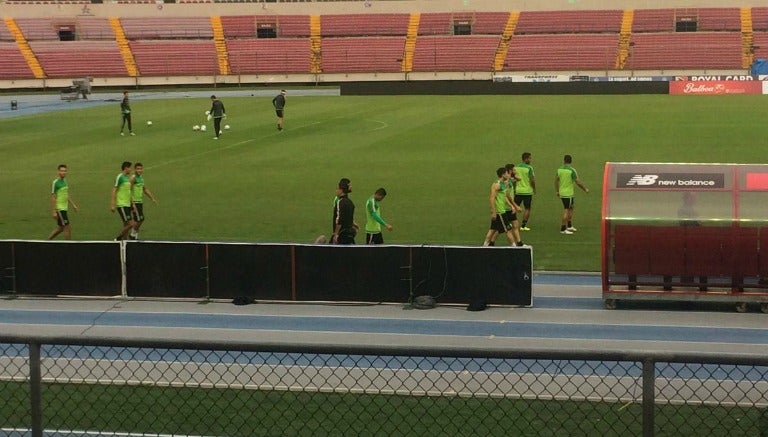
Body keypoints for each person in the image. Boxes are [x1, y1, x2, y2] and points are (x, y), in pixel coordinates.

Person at [483, 167, 519, 247]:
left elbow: (505, 196)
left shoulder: (504, 184)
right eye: (507, 173)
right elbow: (492, 198)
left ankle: (484, 247)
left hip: (502, 210)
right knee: (508, 230)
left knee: (492, 230)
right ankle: (514, 247)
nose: (508, 175)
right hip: (500, 212)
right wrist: (494, 212)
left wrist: (512, 206)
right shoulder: (497, 185)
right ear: (503, 174)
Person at [555, 154, 589, 235]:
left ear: (564, 161)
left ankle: (569, 225)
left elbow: (556, 180)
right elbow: (577, 182)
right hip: (568, 193)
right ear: (571, 161)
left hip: (562, 192)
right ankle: (563, 228)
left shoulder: (559, 169)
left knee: (571, 207)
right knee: (566, 209)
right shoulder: (572, 170)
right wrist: (585, 189)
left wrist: (557, 191)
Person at [48, 164, 79, 240]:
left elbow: (66, 195)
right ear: (58, 172)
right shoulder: (56, 183)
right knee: (67, 227)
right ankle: (68, 246)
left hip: (64, 208)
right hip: (59, 208)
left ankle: (47, 241)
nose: (64, 172)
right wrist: (54, 211)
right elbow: (53, 197)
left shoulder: (65, 181)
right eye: (62, 171)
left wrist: (73, 205)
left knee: (61, 228)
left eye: (65, 171)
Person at [129, 162, 158, 240]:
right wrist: (132, 203)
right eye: (138, 169)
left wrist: (152, 198)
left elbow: (144, 189)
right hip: (135, 202)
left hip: (140, 201)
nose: (140, 170)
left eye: (141, 169)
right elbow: (129, 190)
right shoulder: (133, 178)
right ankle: (132, 234)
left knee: (137, 219)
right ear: (135, 169)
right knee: (140, 219)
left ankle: (135, 236)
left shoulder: (141, 178)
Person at [111, 161, 135, 241]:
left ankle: (124, 241)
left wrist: (132, 204)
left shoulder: (127, 179)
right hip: (122, 204)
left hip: (127, 204)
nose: (131, 170)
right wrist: (112, 204)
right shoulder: (120, 177)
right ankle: (118, 238)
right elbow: (114, 190)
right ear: (126, 168)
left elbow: (128, 192)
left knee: (125, 224)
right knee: (131, 224)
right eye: (130, 168)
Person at [514, 152, 536, 230]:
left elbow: (514, 179)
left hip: (518, 191)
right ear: (526, 159)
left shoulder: (516, 168)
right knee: (527, 208)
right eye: (529, 158)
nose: (530, 160)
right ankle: (523, 226)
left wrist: (514, 189)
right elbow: (532, 180)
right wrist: (534, 188)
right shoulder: (529, 168)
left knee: (514, 207)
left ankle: (511, 222)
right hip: (527, 191)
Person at [333, 179, 356, 244]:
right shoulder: (350, 203)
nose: (336, 191)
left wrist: (336, 234)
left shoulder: (340, 202)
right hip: (350, 234)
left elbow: (340, 219)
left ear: (341, 190)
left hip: (341, 235)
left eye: (337, 189)